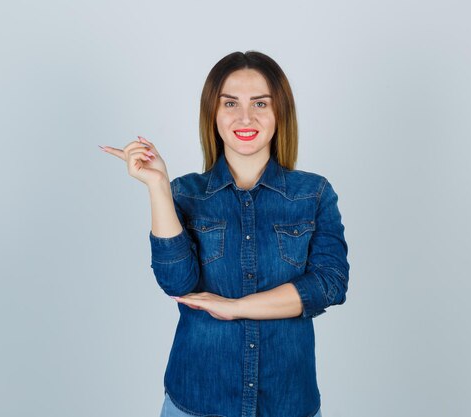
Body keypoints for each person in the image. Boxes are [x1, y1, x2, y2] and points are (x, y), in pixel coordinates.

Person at [100, 50, 349, 417]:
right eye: (230, 102)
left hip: (286, 403)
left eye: (260, 103)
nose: (245, 117)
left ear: (279, 112)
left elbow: (330, 284)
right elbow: (176, 282)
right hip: (197, 402)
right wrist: (158, 187)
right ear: (212, 113)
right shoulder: (185, 193)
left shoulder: (313, 193)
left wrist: (235, 308)